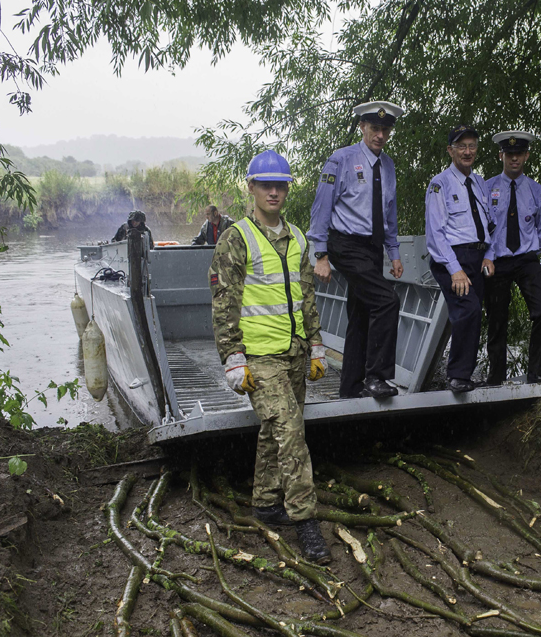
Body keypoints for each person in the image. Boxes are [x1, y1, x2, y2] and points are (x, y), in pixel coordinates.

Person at [208, 149, 331, 564]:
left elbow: (307, 297)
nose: (274, 192)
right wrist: (233, 358)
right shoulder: (236, 238)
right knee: (291, 432)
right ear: (252, 188)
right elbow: (224, 303)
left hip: (294, 354)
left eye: (281, 185)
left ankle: (264, 501)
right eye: (266, 185)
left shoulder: (298, 238)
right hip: (260, 358)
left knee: (273, 431)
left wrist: (316, 345)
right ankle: (305, 522)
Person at [308, 101, 405, 399]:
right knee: (386, 301)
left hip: (373, 248)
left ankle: (350, 389)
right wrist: (320, 254)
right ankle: (376, 377)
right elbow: (322, 207)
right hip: (346, 244)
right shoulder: (341, 159)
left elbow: (389, 213)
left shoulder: (387, 165)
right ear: (362, 127)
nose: (380, 135)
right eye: (374, 128)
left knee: (361, 314)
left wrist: (394, 252)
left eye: (385, 129)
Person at [484, 131, 541, 385]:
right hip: (496, 261)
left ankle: (536, 371)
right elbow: (479, 227)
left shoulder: (537, 191)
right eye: (509, 154)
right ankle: (495, 377)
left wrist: (533, 250)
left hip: (526, 259)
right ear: (501, 155)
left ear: (526, 155)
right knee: (496, 319)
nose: (514, 159)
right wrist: (487, 256)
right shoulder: (486, 188)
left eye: (519, 154)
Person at [425, 125, 495, 393]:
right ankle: (456, 376)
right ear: (450, 150)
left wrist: (489, 255)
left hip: (478, 256)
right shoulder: (439, 184)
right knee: (468, 309)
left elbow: (491, 225)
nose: (467, 152)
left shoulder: (479, 183)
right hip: (452, 257)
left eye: (472, 146)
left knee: (475, 313)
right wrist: (454, 269)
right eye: (461, 146)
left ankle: (463, 375)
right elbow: (435, 233)